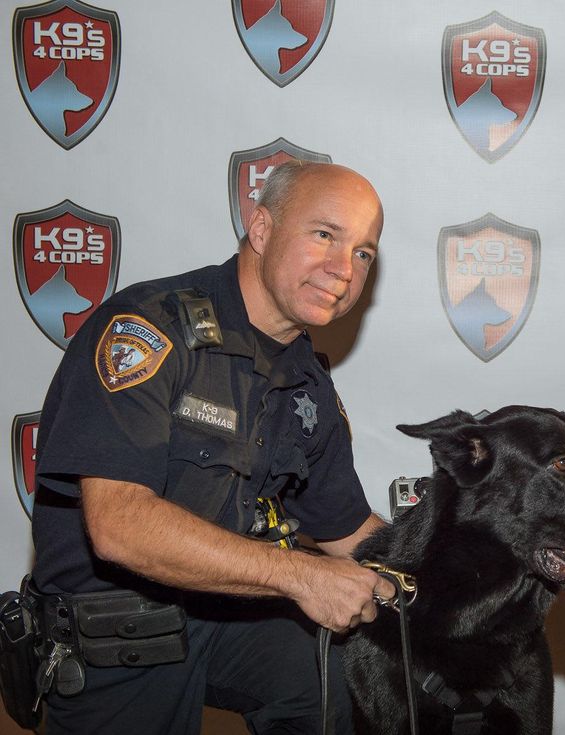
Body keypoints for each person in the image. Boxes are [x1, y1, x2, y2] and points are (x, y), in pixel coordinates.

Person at [29, 160, 396, 735]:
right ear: (261, 227)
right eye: (324, 235)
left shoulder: (308, 384)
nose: (343, 270)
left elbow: (347, 529)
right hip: (119, 626)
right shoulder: (149, 330)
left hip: (227, 612)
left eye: (363, 253)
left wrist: (461, 565)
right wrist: (299, 575)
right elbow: (119, 525)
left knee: (336, 675)